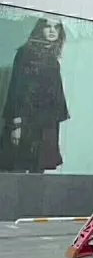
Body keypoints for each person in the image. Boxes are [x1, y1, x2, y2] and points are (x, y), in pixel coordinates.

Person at [0, 18, 69, 173]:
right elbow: (17, 88)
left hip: (45, 124)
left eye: (56, 28)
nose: (52, 31)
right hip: (27, 121)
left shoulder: (52, 58)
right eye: (48, 26)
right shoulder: (26, 52)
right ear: (40, 29)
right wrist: (16, 123)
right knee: (18, 167)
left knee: (38, 171)